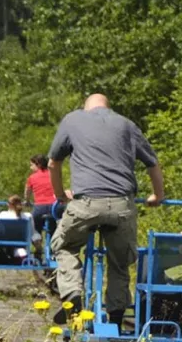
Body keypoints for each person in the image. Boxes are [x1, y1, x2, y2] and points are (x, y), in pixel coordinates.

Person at [47, 93, 166, 325]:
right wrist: (157, 195)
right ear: (108, 107)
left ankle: (72, 296)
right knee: (120, 262)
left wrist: (61, 194)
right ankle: (117, 316)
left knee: (63, 245)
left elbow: (53, 162)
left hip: (85, 204)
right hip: (122, 204)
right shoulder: (127, 124)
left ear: (86, 107)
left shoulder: (73, 120)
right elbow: (152, 163)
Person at [23, 154, 58, 247]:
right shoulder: (53, 175)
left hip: (40, 207)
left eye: (32, 165)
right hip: (53, 207)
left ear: (38, 164)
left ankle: (39, 250)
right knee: (53, 229)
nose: (30, 168)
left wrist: (27, 201)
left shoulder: (32, 177)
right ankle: (52, 251)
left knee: (34, 229)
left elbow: (27, 192)